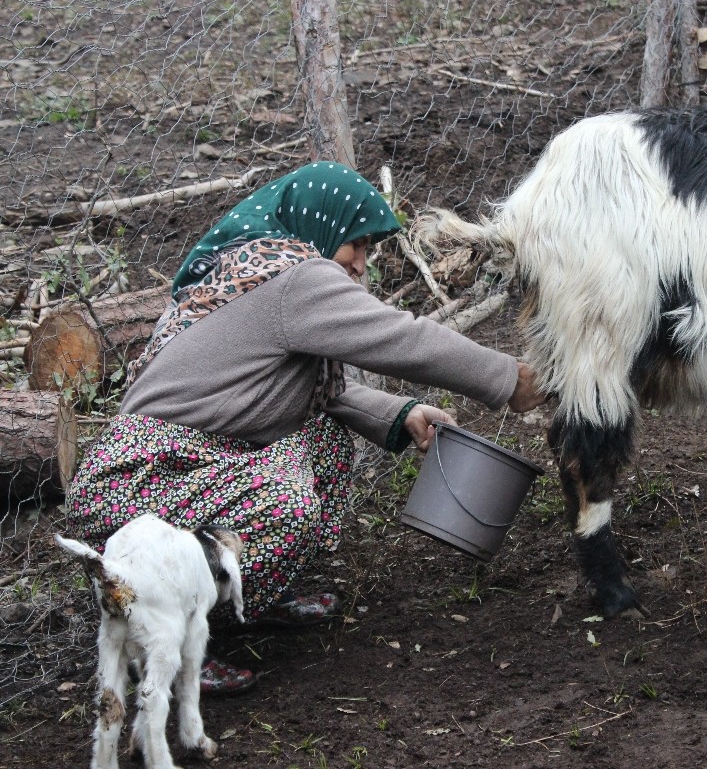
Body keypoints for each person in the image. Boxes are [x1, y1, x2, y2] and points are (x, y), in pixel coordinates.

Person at [63, 162, 544, 694]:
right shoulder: (296, 278)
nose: (361, 265)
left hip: (180, 471)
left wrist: (400, 413)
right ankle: (165, 643)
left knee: (324, 441)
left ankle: (248, 600)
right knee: (283, 502)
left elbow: (307, 394)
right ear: (321, 225)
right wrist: (508, 378)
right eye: (355, 246)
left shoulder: (262, 267)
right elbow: (401, 338)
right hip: (141, 484)